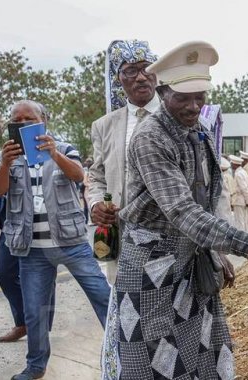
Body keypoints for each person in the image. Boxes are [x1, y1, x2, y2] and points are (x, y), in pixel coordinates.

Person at [100, 41, 248, 380]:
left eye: (200, 96)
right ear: (164, 92)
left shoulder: (197, 131)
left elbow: (208, 197)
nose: (193, 106)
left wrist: (215, 251)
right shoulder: (150, 137)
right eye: (182, 98)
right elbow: (182, 211)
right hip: (151, 270)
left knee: (201, 355)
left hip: (191, 261)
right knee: (153, 361)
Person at [0, 100, 111, 380]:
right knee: (34, 312)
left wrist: (54, 153)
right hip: (32, 250)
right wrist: (6, 163)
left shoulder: (64, 147)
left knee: (103, 297)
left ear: (43, 120)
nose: (22, 123)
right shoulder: (6, 154)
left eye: (28, 118)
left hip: (70, 243)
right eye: (16, 119)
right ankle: (36, 365)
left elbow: (78, 175)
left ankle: (123, 349)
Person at [88, 40, 159, 285]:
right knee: (123, 306)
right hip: (122, 234)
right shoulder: (104, 125)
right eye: (131, 70)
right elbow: (97, 176)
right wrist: (96, 204)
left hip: (167, 237)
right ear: (119, 78)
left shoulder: (175, 117)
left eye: (147, 68)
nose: (141, 77)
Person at [230, 155, 248, 232]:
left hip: (239, 200)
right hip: (242, 200)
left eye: (232, 163)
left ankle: (241, 240)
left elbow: (244, 188)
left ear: (235, 164)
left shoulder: (238, 174)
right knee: (243, 221)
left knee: (239, 222)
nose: (231, 165)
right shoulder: (243, 172)